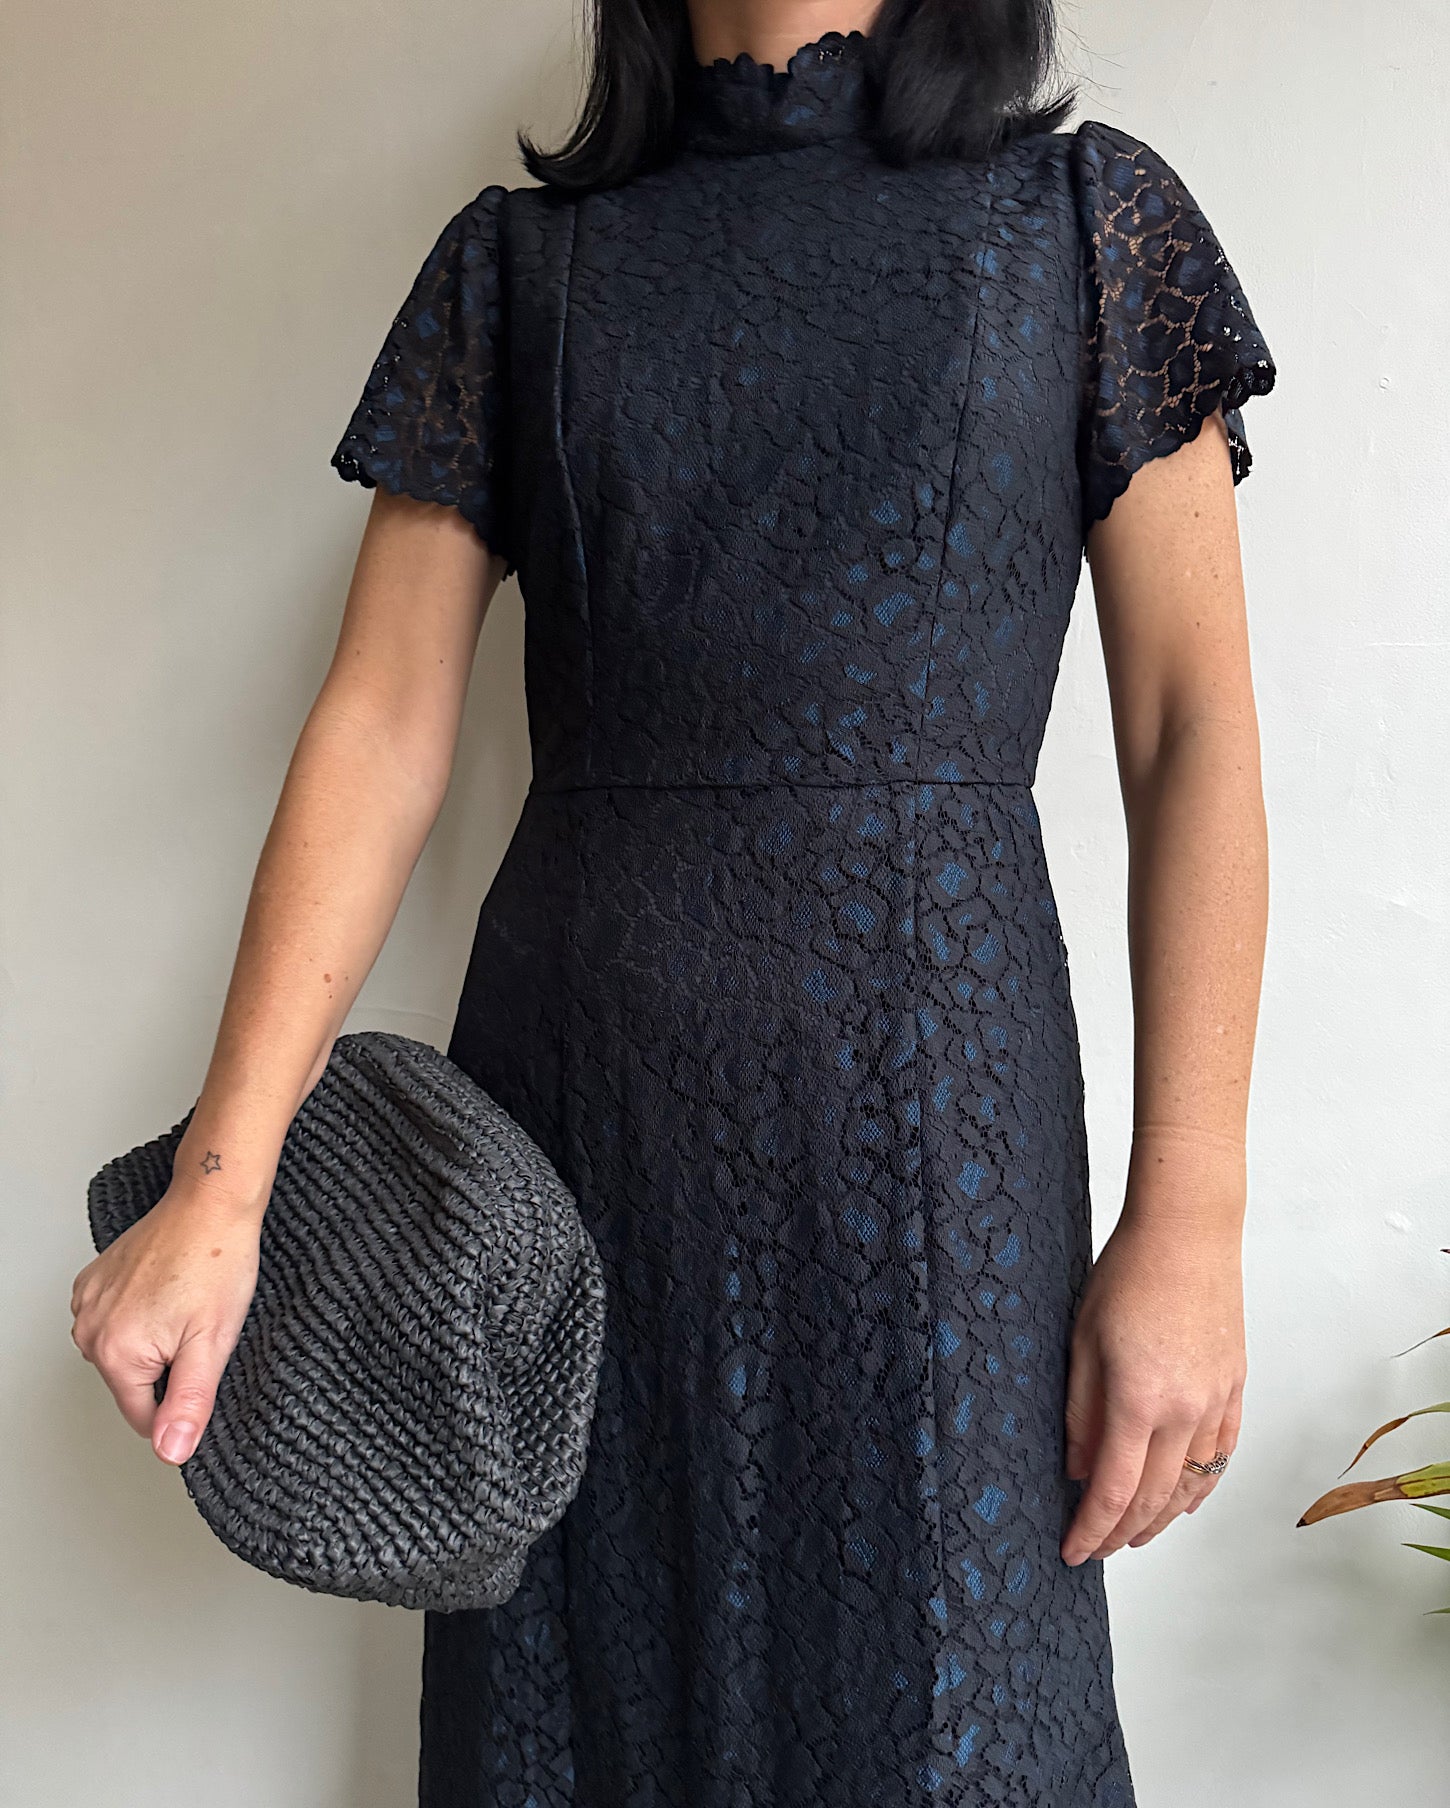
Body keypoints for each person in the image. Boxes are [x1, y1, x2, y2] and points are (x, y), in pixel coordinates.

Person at [69, 1, 1275, 1802]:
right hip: (575, 1142)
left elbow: (1188, 734)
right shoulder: (517, 265)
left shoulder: (1085, 224)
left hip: (939, 1143)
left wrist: (1189, 1220)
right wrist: (220, 1187)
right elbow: (382, 729)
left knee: (951, 1722)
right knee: (580, 1724)